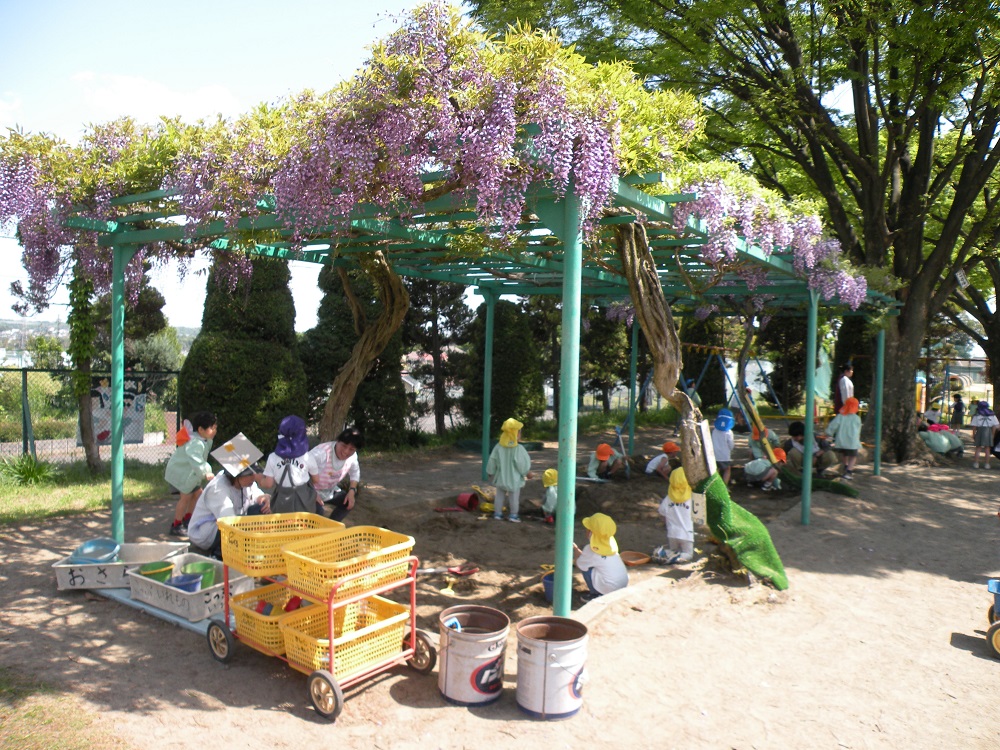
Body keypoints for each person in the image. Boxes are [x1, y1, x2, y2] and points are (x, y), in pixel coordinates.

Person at [187, 433, 269, 559]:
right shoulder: (218, 489)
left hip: (231, 523)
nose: (253, 477)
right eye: (249, 474)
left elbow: (258, 496)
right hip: (206, 533)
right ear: (236, 476)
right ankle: (218, 555)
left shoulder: (247, 483)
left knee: (261, 508)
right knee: (232, 525)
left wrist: (266, 498)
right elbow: (228, 521)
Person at [164, 411, 217, 536]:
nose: (214, 431)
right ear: (201, 429)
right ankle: (177, 525)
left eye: (215, 428)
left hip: (189, 474)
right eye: (212, 428)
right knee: (186, 497)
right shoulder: (195, 443)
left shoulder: (204, 440)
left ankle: (188, 518)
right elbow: (196, 459)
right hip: (180, 473)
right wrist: (206, 472)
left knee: (197, 494)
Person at [256, 415, 320, 515]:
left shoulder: (273, 457)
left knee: (282, 523)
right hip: (303, 502)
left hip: (282, 503)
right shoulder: (307, 457)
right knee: (304, 522)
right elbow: (316, 480)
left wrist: (259, 479)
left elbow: (268, 484)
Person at [310, 426, 364, 522]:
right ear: (337, 441)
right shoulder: (321, 453)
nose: (346, 452)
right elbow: (300, 472)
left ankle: (332, 525)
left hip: (329, 490)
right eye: (344, 446)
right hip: (309, 489)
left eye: (351, 449)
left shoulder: (353, 456)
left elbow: (355, 472)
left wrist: (352, 490)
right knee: (318, 512)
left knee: (348, 502)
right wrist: (312, 493)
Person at [572, 512, 628, 601]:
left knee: (586, 568)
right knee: (589, 563)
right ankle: (601, 591)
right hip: (622, 585)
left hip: (610, 589)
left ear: (590, 532)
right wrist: (578, 551)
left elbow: (579, 564)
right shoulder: (610, 544)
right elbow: (590, 558)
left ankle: (596, 594)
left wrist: (575, 551)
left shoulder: (590, 550)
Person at [487, 417, 533, 522]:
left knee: (499, 497)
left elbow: (492, 460)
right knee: (514, 498)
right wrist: (527, 472)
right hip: (514, 480)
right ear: (515, 434)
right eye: (519, 433)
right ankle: (513, 515)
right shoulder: (518, 449)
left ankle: (497, 514)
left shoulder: (498, 447)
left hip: (501, 478)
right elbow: (522, 464)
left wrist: (490, 471)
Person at [656, 467, 695, 564]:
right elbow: (699, 516)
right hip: (687, 534)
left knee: (673, 550)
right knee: (688, 554)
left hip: (672, 533)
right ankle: (675, 558)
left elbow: (662, 512)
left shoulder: (668, 498)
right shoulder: (693, 497)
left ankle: (664, 553)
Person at [826, 397, 863, 480]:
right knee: (853, 456)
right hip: (853, 441)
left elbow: (833, 426)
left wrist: (828, 433)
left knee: (844, 453)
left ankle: (845, 466)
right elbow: (858, 430)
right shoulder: (857, 418)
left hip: (841, 441)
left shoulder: (840, 416)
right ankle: (849, 471)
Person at [970, 400, 999, 469]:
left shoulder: (977, 415)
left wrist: (973, 434)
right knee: (987, 449)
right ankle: (987, 464)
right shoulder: (992, 415)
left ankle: (976, 463)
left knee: (978, 448)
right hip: (989, 432)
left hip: (980, 431)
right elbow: (995, 426)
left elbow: (974, 426)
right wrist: (993, 434)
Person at [711, 409, 735, 484]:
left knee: (716, 470)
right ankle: (725, 485)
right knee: (727, 469)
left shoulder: (714, 431)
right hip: (725, 455)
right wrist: (731, 449)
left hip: (715, 454)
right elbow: (731, 445)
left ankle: (716, 484)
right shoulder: (729, 432)